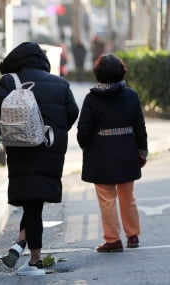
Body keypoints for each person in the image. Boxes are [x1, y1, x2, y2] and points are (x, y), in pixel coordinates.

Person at [0, 42, 79, 276]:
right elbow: (73, 113)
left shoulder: (9, 83)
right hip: (50, 147)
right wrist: (55, 130)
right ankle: (22, 244)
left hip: (21, 150)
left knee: (31, 202)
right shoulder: (60, 84)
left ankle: (35, 261)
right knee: (35, 202)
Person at [77, 54, 148, 252]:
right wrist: (141, 151)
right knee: (128, 197)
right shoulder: (131, 96)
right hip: (127, 153)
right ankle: (133, 236)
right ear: (121, 72)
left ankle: (113, 240)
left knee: (107, 200)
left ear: (98, 74)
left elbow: (84, 130)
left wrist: (86, 147)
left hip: (101, 156)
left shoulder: (92, 98)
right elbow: (140, 127)